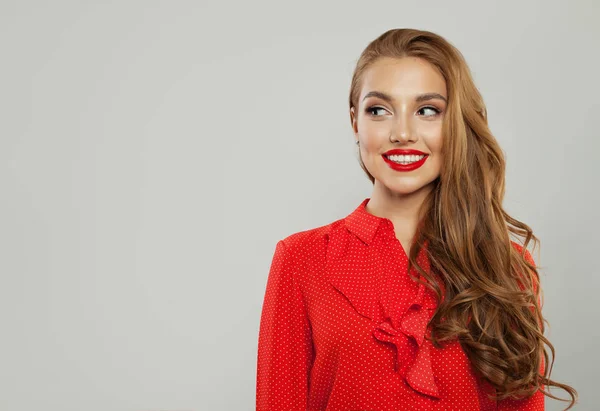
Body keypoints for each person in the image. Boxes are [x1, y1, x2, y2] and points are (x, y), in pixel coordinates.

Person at [255, 28, 578, 411]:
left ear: (455, 123)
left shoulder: (506, 266)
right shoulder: (301, 259)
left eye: (427, 110)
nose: (403, 133)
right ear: (355, 121)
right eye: (379, 110)